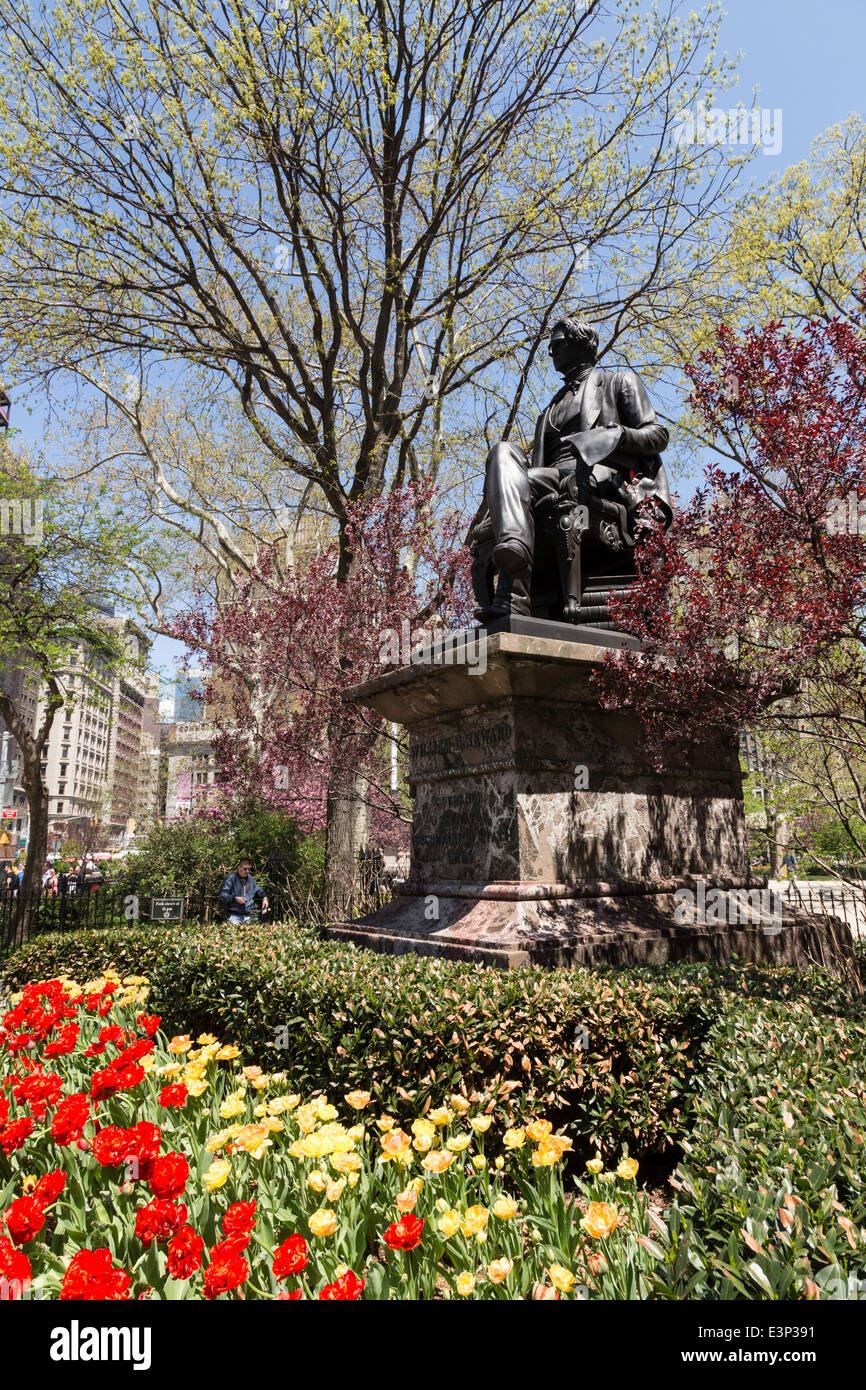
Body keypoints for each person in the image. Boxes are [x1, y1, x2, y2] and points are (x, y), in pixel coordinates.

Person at [474, 315, 671, 620]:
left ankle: (511, 595)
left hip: (598, 477)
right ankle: (515, 550)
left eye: (558, 343)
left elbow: (657, 435)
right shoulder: (550, 409)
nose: (551, 351)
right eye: (550, 346)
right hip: (552, 478)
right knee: (503, 451)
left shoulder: (618, 382)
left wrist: (617, 433)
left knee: (527, 484)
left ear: (584, 343)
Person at [219, 858, 269, 925]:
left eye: (249, 869)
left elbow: (257, 890)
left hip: (248, 916)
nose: (247, 871)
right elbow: (223, 895)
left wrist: (265, 898)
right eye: (245, 869)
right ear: (239, 868)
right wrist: (235, 898)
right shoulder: (231, 879)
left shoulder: (250, 879)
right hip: (234, 916)